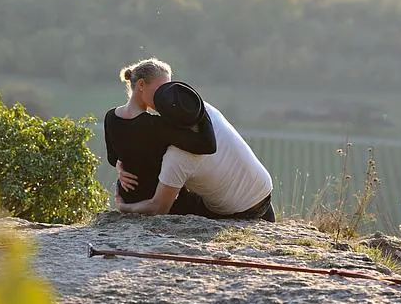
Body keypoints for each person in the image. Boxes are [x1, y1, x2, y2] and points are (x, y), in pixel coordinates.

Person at [115, 80, 276, 222]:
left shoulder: (178, 156)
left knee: (174, 200)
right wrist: (119, 163)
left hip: (240, 212)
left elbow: (158, 208)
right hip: (264, 195)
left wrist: (125, 207)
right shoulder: (199, 108)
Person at [104, 58, 217, 212]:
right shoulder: (156, 125)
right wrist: (199, 108)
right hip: (166, 205)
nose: (167, 95)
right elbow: (207, 145)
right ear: (141, 85)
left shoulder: (111, 116)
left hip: (129, 196)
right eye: (162, 89)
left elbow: (113, 158)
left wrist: (120, 168)